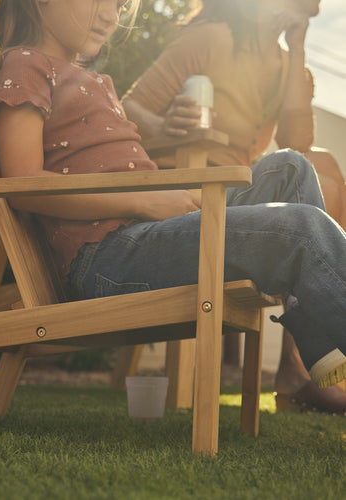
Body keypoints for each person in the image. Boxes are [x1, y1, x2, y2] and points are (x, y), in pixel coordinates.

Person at [0, 0, 346, 405]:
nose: (112, 15)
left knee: (290, 168)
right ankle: (327, 340)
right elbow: (23, 184)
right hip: (108, 258)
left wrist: (177, 199)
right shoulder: (26, 66)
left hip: (142, 236)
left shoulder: (92, 79)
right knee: (302, 228)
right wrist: (146, 202)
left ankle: (322, 343)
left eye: (118, 4)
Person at [121, 0, 346, 412]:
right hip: (190, 190)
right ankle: (302, 361)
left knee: (322, 167)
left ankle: (298, 364)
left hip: (242, 191)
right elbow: (128, 109)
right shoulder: (211, 36)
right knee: (315, 171)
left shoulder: (289, 67)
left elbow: (296, 141)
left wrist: (296, 50)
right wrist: (163, 125)